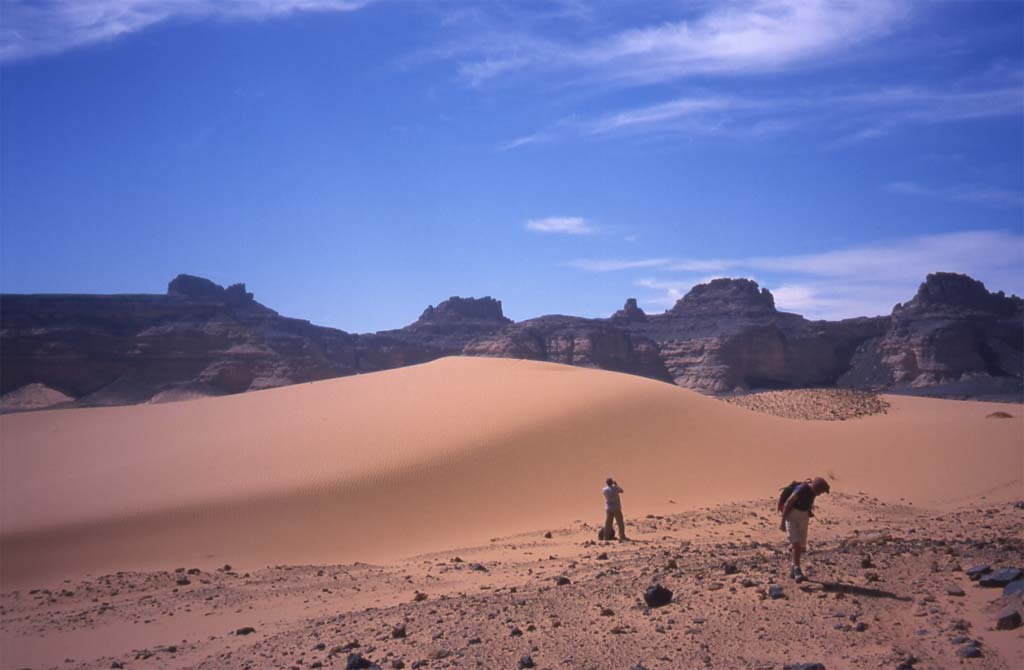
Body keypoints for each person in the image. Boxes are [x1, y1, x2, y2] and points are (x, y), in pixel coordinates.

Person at [779, 476, 830, 582]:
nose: (820, 494)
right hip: (791, 516)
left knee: (801, 547)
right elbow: (788, 503)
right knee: (796, 544)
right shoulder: (802, 489)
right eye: (820, 491)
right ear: (816, 488)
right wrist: (783, 521)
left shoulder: (813, 492)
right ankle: (797, 570)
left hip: (803, 517)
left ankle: (793, 568)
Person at [602, 477, 627, 542]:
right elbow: (621, 491)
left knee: (608, 523)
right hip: (616, 508)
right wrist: (616, 485)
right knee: (620, 522)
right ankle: (622, 536)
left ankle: (606, 537)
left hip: (609, 508)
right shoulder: (616, 488)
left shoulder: (604, 490)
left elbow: (604, 493)